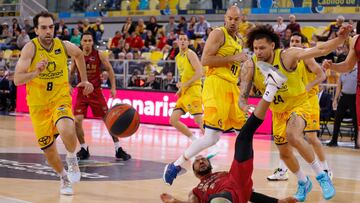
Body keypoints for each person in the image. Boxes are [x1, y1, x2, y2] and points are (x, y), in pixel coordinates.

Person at [239, 24, 351, 201]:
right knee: (284, 154)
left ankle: (322, 176)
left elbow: (320, 49)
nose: (258, 52)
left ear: (272, 46)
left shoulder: (287, 55)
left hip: (300, 104)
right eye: (255, 48)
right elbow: (242, 98)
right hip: (278, 112)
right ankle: (303, 181)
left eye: (262, 48)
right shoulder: (250, 66)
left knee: (293, 135)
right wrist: (246, 107)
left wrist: (340, 39)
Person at [160, 66, 297, 203]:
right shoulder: (196, 191)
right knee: (218, 199)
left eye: (202, 159)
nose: (201, 160)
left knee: (245, 135)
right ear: (194, 172)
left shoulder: (225, 174)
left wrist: (277, 202)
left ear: (211, 165)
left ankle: (272, 86)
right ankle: (176, 165)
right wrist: (176, 202)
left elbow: (249, 194)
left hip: (238, 182)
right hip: (222, 197)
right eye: (197, 161)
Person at [163, 5, 248, 185]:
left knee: (243, 135)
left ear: (241, 20)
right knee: (211, 137)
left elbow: (236, 66)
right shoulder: (219, 33)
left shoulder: (239, 39)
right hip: (215, 85)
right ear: (225, 18)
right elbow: (206, 61)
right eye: (230, 18)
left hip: (232, 88)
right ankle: (176, 165)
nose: (233, 22)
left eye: (236, 19)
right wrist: (233, 58)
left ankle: (240, 176)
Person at [14, 11, 94, 195]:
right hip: (38, 107)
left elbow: (79, 54)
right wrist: (36, 73)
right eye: (43, 28)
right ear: (36, 30)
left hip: (60, 98)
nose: (48, 31)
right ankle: (63, 177)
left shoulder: (63, 45)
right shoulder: (30, 49)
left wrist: (85, 79)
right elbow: (17, 80)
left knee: (67, 128)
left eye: (51, 27)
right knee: (49, 152)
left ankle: (72, 157)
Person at [267, 32, 332, 181]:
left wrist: (307, 87)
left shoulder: (307, 57)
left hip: (308, 100)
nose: (294, 43)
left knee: (312, 138)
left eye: (297, 41)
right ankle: (283, 170)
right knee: (285, 139)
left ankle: (326, 169)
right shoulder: (286, 58)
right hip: (291, 103)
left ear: (303, 44)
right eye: (292, 41)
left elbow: (321, 75)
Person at [70, 32, 131, 161]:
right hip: (81, 92)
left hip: (96, 92)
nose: (87, 43)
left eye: (89, 40)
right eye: (85, 41)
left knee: (109, 120)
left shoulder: (99, 55)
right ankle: (83, 148)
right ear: (81, 42)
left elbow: (110, 70)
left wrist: (113, 87)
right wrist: (68, 85)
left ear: (92, 42)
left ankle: (118, 148)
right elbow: (71, 72)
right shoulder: (76, 55)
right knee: (77, 121)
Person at [322, 22, 360, 149]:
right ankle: (335, 140)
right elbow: (347, 65)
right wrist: (332, 65)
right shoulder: (356, 40)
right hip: (352, 94)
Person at [170, 33, 204, 141]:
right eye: (181, 39)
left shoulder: (190, 54)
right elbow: (184, 75)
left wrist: (185, 84)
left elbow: (200, 73)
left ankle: (213, 144)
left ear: (188, 42)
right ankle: (195, 140)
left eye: (185, 39)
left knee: (199, 120)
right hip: (185, 92)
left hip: (194, 90)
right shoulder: (177, 57)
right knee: (173, 120)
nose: (183, 41)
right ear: (178, 42)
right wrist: (180, 89)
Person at [326, 67, 358, 148]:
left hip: (354, 97)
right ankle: (334, 141)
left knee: (356, 121)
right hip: (343, 96)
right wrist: (335, 99)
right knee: (337, 119)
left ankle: (357, 142)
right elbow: (339, 86)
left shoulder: (357, 71)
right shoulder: (343, 71)